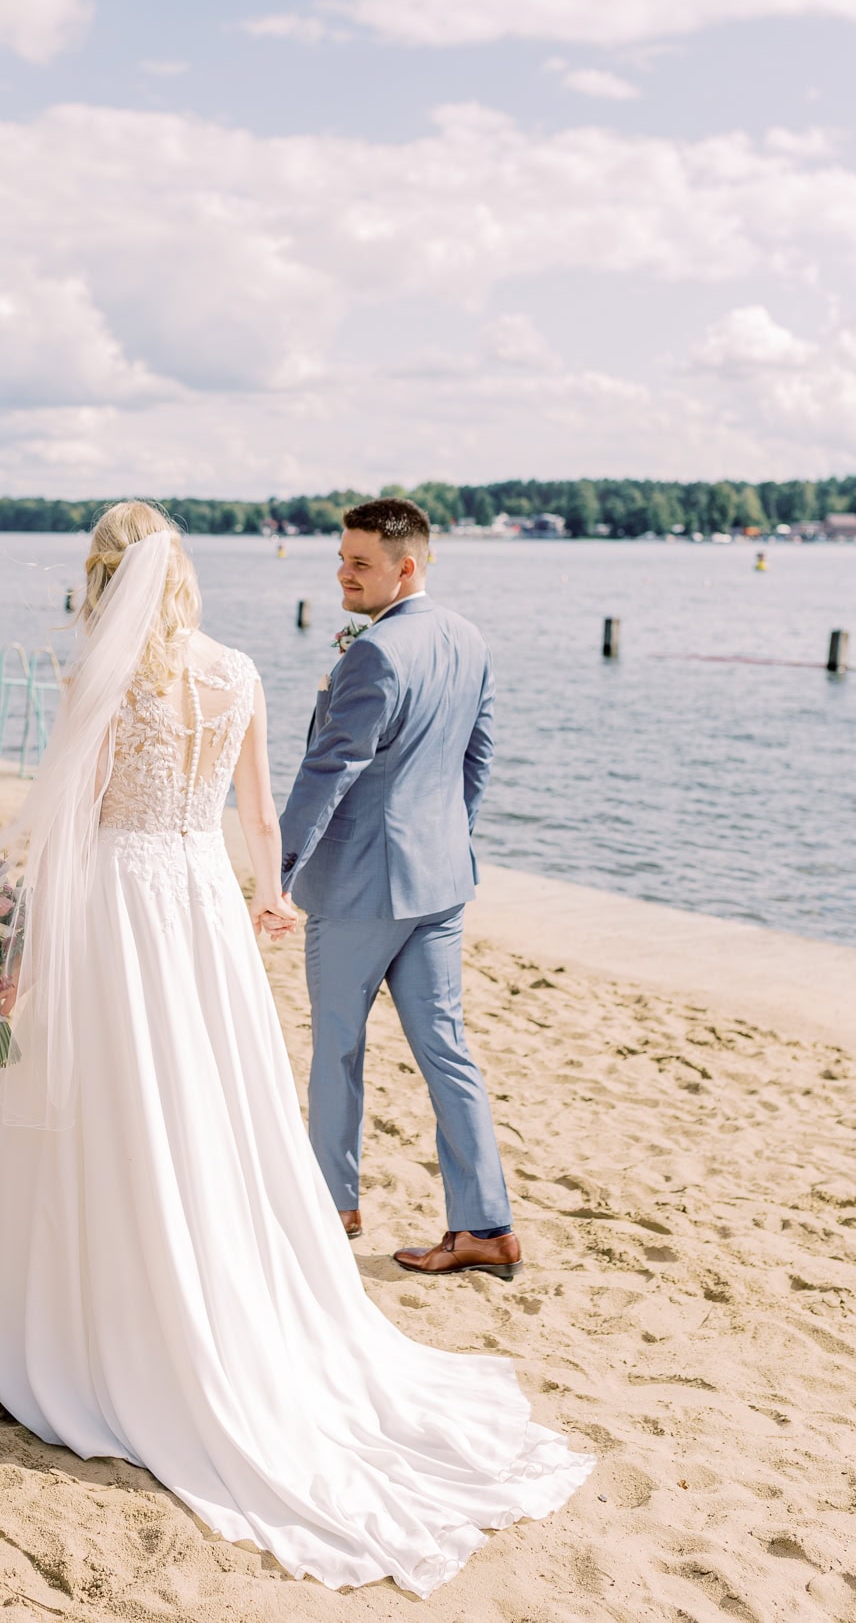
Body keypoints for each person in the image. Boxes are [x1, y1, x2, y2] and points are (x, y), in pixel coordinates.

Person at [0, 500, 591, 1598]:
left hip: (121, 900)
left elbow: (64, 818)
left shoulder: (97, 680)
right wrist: (269, 898)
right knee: (211, 1090)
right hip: (201, 902)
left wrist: (1, 907)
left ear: (103, 579)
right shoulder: (243, 672)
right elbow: (260, 818)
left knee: (113, 1088)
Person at [279, 497, 514, 1278]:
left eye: (358, 563)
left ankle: (331, 1205)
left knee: (338, 1046)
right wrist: (448, 839)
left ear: (405, 566)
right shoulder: (468, 637)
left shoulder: (374, 654)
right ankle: (485, 1223)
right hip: (440, 882)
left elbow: (328, 771)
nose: (342, 573)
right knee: (447, 1049)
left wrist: (276, 870)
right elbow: (476, 759)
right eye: (342, 558)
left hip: (360, 889)